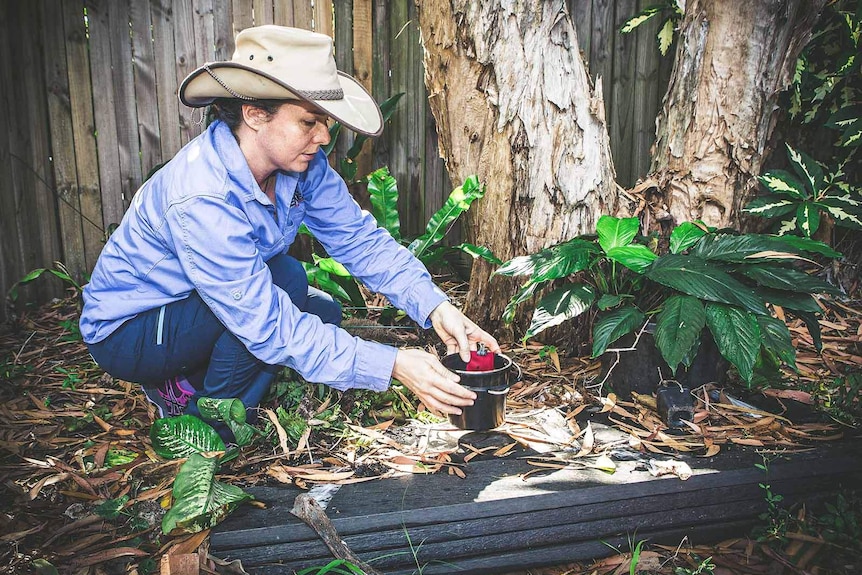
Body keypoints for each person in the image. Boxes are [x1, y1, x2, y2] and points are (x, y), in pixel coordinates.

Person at [79, 25, 500, 440]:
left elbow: (359, 239)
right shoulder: (201, 196)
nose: (323, 137)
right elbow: (265, 325)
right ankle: (206, 423)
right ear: (255, 114)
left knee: (319, 308)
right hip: (131, 331)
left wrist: (437, 309)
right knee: (283, 291)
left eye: (324, 123)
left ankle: (189, 377)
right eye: (308, 122)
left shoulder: (304, 166)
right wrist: (393, 364)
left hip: (196, 302)